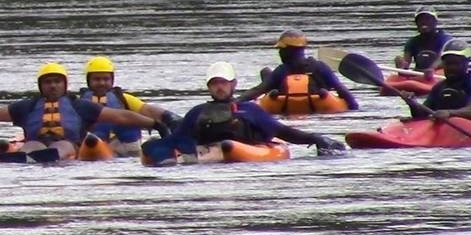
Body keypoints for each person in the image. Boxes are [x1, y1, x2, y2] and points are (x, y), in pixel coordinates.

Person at [143, 61, 345, 163]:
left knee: (227, 146)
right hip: (209, 153)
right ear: (208, 87)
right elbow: (178, 139)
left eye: (223, 83)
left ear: (234, 84)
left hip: (238, 149)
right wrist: (154, 146)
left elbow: (283, 132)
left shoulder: (250, 109)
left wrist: (317, 138)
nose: (219, 87)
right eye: (214, 84)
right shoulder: (197, 112)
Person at [0, 62, 170, 161]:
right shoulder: (27, 106)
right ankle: (26, 157)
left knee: (62, 145)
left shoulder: (79, 106)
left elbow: (120, 116)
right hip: (36, 142)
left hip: (69, 144)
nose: (52, 86)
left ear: (64, 84)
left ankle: (46, 156)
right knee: (32, 144)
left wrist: (154, 124)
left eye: (56, 82)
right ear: (40, 85)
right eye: (47, 83)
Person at [78, 56, 181, 156]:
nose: (102, 83)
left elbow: (147, 110)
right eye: (97, 79)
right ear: (88, 81)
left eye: (106, 79)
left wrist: (170, 118)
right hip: (92, 142)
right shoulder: (78, 102)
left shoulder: (123, 99)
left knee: (130, 127)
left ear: (112, 80)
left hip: (122, 143)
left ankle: (139, 152)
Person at [237, 30, 359, 110]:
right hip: (319, 108)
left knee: (265, 72)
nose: (279, 52)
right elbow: (342, 90)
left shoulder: (282, 71)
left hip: (286, 110)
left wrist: (235, 102)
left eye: (281, 49)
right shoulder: (319, 67)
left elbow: (258, 90)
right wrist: (354, 108)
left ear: (288, 50)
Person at [400, 39, 471, 124]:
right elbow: (423, 114)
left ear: (466, 63)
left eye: (456, 63)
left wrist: (448, 113)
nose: (452, 67)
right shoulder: (439, 87)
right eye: (448, 64)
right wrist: (412, 103)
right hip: (447, 128)